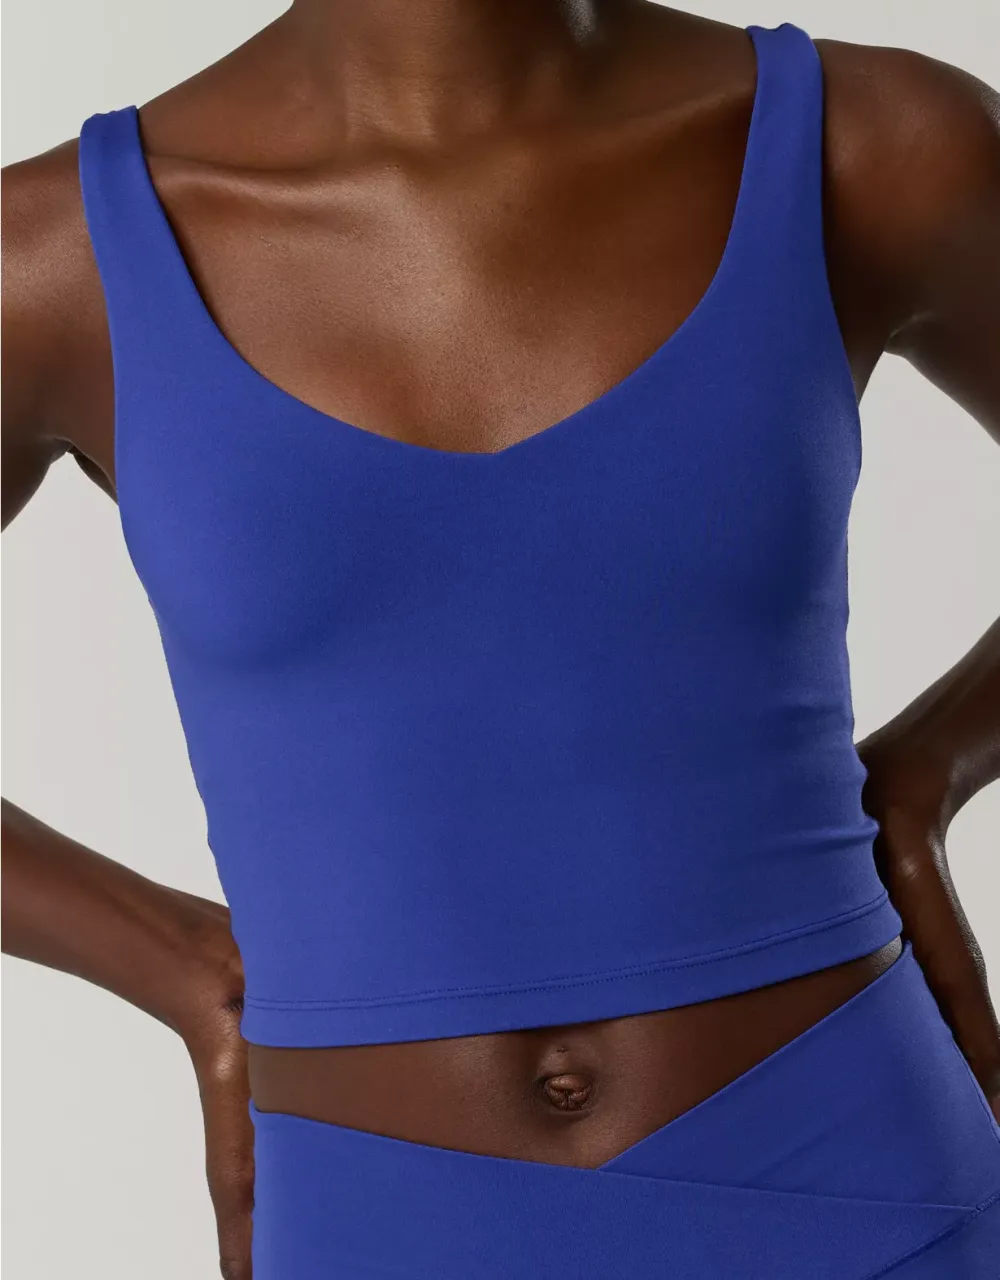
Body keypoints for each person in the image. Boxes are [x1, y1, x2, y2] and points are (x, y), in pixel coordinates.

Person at [3, 3, 999, 1277]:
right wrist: (177, 962)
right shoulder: (52, 259)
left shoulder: (870, 144)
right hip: (379, 1221)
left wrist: (933, 762)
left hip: (859, 1179)